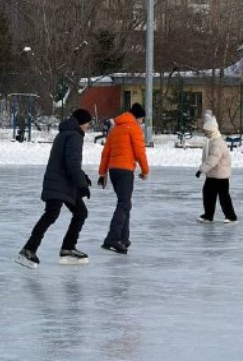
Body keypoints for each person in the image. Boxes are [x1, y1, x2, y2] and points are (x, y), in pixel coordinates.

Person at [16, 109, 94, 268]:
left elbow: (68, 161)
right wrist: (82, 185)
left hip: (62, 182)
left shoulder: (66, 133)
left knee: (79, 212)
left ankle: (68, 248)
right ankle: (29, 249)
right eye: (87, 123)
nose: (88, 126)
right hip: (60, 183)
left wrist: (82, 177)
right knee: (52, 214)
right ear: (81, 122)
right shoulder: (75, 136)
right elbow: (72, 163)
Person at [98, 102, 149, 254]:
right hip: (125, 170)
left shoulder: (115, 129)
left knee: (125, 203)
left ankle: (123, 238)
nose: (142, 122)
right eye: (142, 119)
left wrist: (103, 173)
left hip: (114, 171)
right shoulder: (133, 128)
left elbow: (106, 152)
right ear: (137, 117)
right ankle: (112, 238)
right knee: (124, 203)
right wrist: (145, 170)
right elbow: (140, 152)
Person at [196, 111, 238, 224]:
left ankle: (231, 217)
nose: (205, 133)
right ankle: (208, 215)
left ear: (211, 130)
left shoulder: (217, 143)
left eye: (206, 131)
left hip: (220, 175)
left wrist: (201, 169)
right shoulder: (212, 141)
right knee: (208, 195)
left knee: (223, 197)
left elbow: (213, 158)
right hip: (213, 174)